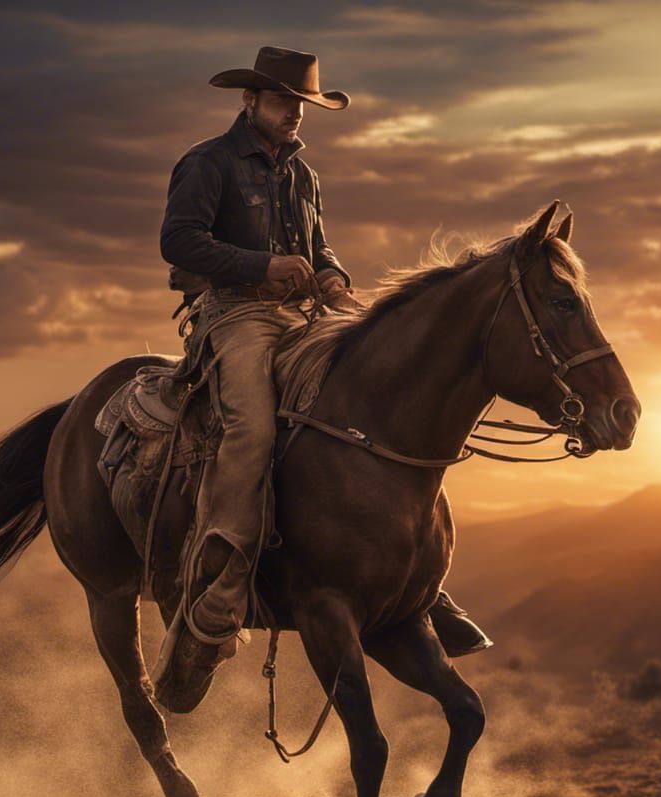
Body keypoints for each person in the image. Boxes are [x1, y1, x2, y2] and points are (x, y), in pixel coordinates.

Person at [159, 46, 490, 663]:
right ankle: (224, 583)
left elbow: (320, 248)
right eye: (284, 101)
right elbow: (178, 241)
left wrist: (333, 277)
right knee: (253, 429)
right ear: (250, 100)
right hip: (234, 314)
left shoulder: (303, 176)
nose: (295, 113)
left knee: (384, 398)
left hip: (302, 315)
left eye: (302, 104)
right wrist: (264, 265)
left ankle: (418, 577)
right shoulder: (208, 163)